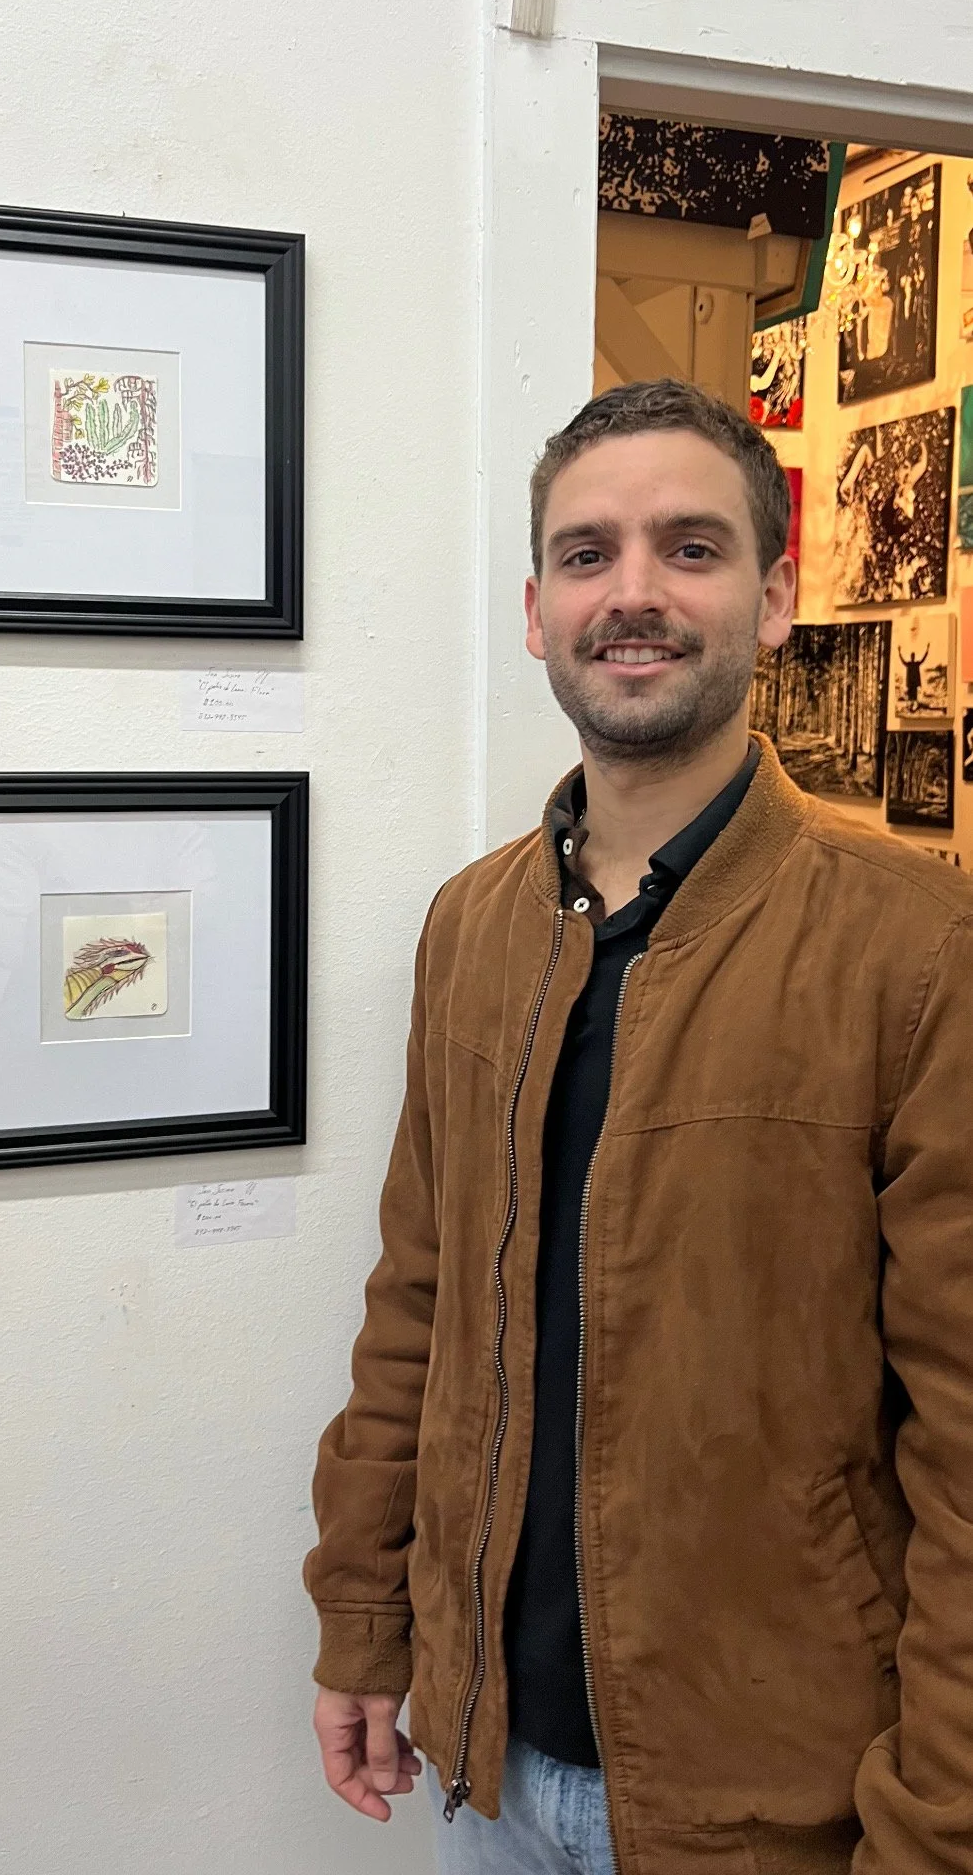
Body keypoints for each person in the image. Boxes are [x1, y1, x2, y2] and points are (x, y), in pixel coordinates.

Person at [303, 378, 973, 1875]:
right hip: (483, 1758)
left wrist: (936, 1830)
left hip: (770, 1802)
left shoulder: (918, 952)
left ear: (774, 594)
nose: (636, 594)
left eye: (690, 547)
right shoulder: (473, 926)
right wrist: (362, 1622)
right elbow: (416, 1305)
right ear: (535, 609)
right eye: (589, 554)